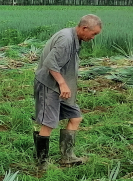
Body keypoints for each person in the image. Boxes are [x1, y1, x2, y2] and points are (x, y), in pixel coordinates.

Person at [33, 14, 102, 170]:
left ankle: (68, 157)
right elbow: (50, 63)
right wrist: (63, 83)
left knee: (75, 117)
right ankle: (41, 163)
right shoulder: (66, 39)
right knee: (48, 123)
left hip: (61, 87)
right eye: (94, 33)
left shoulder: (76, 38)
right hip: (49, 85)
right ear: (85, 28)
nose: (94, 37)